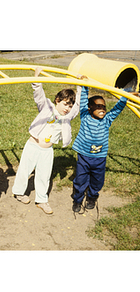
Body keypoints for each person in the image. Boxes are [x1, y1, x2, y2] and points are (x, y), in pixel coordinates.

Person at [12, 67, 83, 214]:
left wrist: (80, 86)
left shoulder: (67, 117)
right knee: (24, 170)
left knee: (44, 176)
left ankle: (42, 200)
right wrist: (37, 78)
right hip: (33, 145)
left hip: (47, 150)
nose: (67, 108)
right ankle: (19, 192)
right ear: (57, 101)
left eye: (69, 106)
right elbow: (39, 95)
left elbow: (77, 106)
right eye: (65, 104)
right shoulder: (47, 107)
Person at [72, 80, 127, 212]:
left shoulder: (107, 120)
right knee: (80, 180)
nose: (102, 109)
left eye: (104, 106)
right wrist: (85, 86)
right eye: (98, 106)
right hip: (84, 157)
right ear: (90, 108)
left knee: (97, 181)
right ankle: (78, 199)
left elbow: (118, 108)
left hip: (100, 158)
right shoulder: (85, 116)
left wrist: (124, 95)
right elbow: (84, 100)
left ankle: (92, 197)